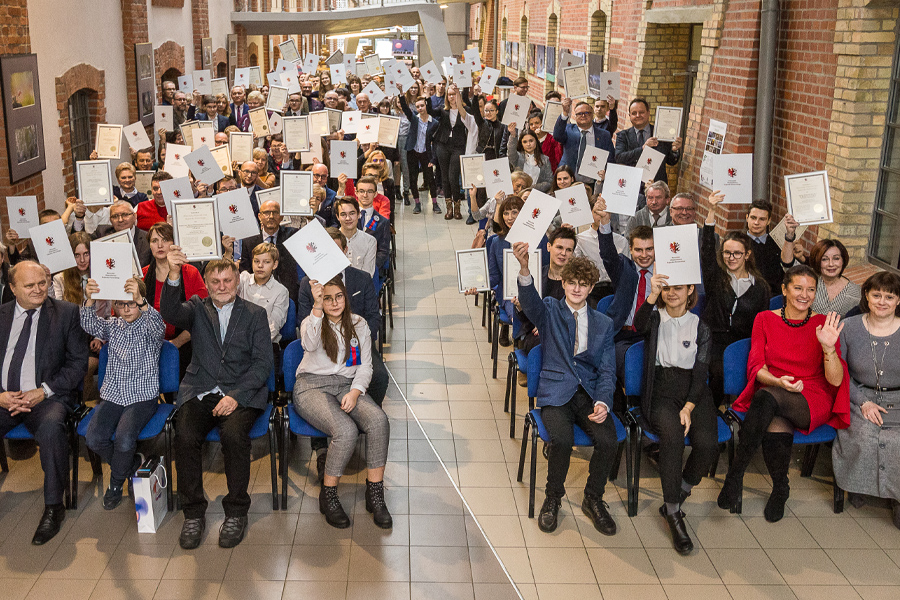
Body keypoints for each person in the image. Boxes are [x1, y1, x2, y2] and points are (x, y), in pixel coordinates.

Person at [719, 265, 850, 522]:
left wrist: (828, 348)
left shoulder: (824, 323)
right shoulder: (765, 319)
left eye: (811, 289)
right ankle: (781, 488)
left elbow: (835, 381)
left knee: (767, 399)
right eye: (798, 288)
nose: (804, 294)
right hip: (776, 388)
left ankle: (735, 474)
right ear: (784, 289)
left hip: (813, 396)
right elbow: (757, 368)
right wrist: (779, 382)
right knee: (774, 416)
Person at [161, 255, 273, 549]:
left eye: (227, 280)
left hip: (240, 390)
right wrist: (174, 272)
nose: (222, 286)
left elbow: (263, 365)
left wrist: (236, 396)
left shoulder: (255, 313)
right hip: (200, 388)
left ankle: (236, 511)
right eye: (215, 282)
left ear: (237, 280)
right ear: (206, 285)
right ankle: (193, 513)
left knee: (234, 435)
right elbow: (170, 311)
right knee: (184, 435)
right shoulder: (196, 309)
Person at [513, 244, 619, 535]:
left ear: (591, 286)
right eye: (571, 282)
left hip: (588, 393)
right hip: (555, 391)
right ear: (563, 282)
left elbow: (608, 368)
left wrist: (603, 401)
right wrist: (524, 269)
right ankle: (552, 498)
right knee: (560, 440)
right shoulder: (549, 310)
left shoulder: (603, 323)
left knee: (609, 440)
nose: (576, 288)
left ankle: (593, 498)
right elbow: (530, 302)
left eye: (583, 284)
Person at [0, 261, 89, 545]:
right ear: (13, 288)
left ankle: (54, 507)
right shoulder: (1, 316)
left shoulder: (66, 314)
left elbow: (78, 364)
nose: (39, 290)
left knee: (52, 430)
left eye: (43, 283)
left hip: (47, 397)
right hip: (4, 398)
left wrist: (43, 390)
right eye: (30, 285)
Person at [293, 276, 391, 529]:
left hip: (347, 386)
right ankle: (329, 495)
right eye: (327, 298)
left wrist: (356, 392)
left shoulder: (358, 324)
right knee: (345, 431)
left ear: (346, 298)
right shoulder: (311, 322)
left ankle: (375, 494)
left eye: (339, 297)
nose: (334, 303)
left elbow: (365, 365)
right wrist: (316, 308)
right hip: (311, 385)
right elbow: (309, 343)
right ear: (320, 301)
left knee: (379, 421)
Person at [633, 272, 718, 554]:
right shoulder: (655, 317)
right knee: (672, 440)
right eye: (667, 288)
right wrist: (652, 294)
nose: (672, 293)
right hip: (661, 389)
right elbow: (638, 324)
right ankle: (673, 512)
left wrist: (690, 406)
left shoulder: (700, 326)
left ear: (690, 289)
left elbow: (702, 370)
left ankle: (680, 490)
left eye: (678, 288)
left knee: (707, 445)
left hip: (694, 391)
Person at [81, 276, 164, 510]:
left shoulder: (149, 326)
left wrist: (142, 300)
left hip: (142, 396)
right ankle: (131, 466)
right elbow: (88, 324)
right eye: (121, 304)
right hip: (113, 394)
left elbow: (159, 328)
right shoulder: (112, 326)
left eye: (132, 303)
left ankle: (116, 483)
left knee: (125, 439)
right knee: (94, 438)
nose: (126, 309)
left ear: (139, 303)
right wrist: (89, 298)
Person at [832, 272, 900, 527]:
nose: (882, 301)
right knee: (862, 434)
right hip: (858, 394)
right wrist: (863, 401)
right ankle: (859, 486)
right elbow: (841, 373)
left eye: (889, 296)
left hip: (898, 397)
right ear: (867, 297)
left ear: (898, 301)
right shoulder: (848, 328)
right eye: (876, 295)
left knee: (896, 439)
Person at [701, 191, 770, 406]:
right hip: (714, 340)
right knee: (719, 372)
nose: (731, 258)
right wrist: (712, 210)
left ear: (747, 255)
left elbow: (761, 325)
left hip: (744, 343)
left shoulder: (760, 287)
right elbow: (706, 250)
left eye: (737, 253)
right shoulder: (717, 277)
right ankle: (713, 410)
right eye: (727, 253)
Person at [142, 222, 207, 378]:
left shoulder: (190, 272)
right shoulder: (142, 274)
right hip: (147, 345)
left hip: (186, 343)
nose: (160, 245)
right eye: (154, 241)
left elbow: (202, 315)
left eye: (165, 240)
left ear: (174, 243)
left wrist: (176, 343)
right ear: (149, 245)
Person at [237, 200, 300, 302]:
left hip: (288, 293)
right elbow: (245, 271)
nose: (271, 216)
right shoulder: (249, 241)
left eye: (275, 212)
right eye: (266, 213)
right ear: (259, 216)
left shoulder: (292, 235)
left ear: (282, 217)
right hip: (256, 295)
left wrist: (311, 217)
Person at [614, 98, 682, 187]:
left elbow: (671, 161)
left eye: (641, 112)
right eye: (634, 113)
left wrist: (674, 150)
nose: (638, 115)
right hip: (632, 186)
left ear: (648, 113)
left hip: (656, 187)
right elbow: (619, 158)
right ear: (629, 116)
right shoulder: (623, 136)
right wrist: (643, 148)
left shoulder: (661, 134)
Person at [553, 97, 616, 189]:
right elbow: (557, 135)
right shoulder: (568, 129)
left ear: (592, 115)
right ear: (575, 116)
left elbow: (610, 158)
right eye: (579, 113)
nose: (583, 115)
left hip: (592, 183)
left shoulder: (604, 135)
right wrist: (565, 113)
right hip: (568, 180)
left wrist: (605, 173)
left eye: (587, 113)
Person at [487, 195, 526, 347]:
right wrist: (478, 285)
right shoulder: (497, 242)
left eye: (514, 212)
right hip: (510, 293)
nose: (510, 218)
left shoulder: (536, 239)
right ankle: (521, 345)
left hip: (534, 290)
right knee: (517, 312)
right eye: (506, 213)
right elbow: (494, 276)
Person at [575, 195, 628, 302]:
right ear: (590, 214)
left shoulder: (621, 241)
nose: (601, 217)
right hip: (590, 291)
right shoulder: (579, 239)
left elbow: (626, 271)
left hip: (616, 289)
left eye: (605, 213)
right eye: (596, 213)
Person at [428, 83, 468, 217]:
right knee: (444, 177)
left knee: (453, 177)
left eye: (454, 94)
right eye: (449, 94)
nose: (451, 97)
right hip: (442, 144)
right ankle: (449, 208)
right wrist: (428, 96)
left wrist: (461, 97)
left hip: (458, 146)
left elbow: (468, 116)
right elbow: (430, 111)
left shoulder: (465, 110)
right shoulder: (442, 110)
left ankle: (457, 208)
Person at [237, 242, 289, 345]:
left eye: (266, 262)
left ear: (274, 265)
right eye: (256, 261)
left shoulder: (281, 291)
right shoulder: (243, 279)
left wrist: (249, 345)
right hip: (237, 341)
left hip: (265, 344)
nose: (260, 266)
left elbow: (273, 328)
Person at [745, 200, 798, 297]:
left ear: (769, 221)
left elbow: (790, 268)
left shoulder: (778, 243)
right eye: (753, 218)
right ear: (747, 218)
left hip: (775, 297)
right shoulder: (739, 242)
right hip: (748, 296)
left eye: (762, 219)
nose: (756, 222)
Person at [398, 92, 439, 214]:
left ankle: (435, 203)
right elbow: (405, 108)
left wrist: (433, 159)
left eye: (422, 105)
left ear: (426, 105)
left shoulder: (434, 123)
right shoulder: (414, 118)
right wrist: (401, 93)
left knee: (430, 178)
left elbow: (435, 143)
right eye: (418, 106)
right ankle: (417, 203)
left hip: (426, 153)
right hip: (413, 151)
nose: (420, 108)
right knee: (413, 178)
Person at [809, 239, 861, 316]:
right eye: (824, 259)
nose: (831, 264)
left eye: (836, 258)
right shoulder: (808, 280)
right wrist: (789, 237)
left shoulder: (855, 293)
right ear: (817, 261)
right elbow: (788, 265)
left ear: (843, 260)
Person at [94, 200, 152, 268]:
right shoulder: (102, 233)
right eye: (115, 216)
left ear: (135, 216)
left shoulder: (148, 239)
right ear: (110, 220)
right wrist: (79, 217)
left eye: (125, 215)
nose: (120, 220)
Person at [355, 176, 391, 272]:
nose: (365, 195)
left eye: (369, 191)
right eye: (361, 191)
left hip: (370, 269)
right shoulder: (348, 217)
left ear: (375, 194)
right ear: (356, 193)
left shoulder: (382, 222)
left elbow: (383, 252)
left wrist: (370, 267)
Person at [334, 197, 377, 277]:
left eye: (352, 213)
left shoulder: (370, 241)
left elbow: (367, 275)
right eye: (343, 214)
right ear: (337, 217)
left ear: (359, 214)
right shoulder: (330, 240)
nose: (348, 218)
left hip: (360, 287)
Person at [507, 125, 552, 192]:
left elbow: (549, 181)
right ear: (521, 143)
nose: (528, 144)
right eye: (525, 142)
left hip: (537, 194)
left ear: (536, 141)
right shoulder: (517, 157)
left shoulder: (545, 159)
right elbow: (511, 151)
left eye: (531, 141)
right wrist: (513, 135)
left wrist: (532, 188)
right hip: (519, 194)